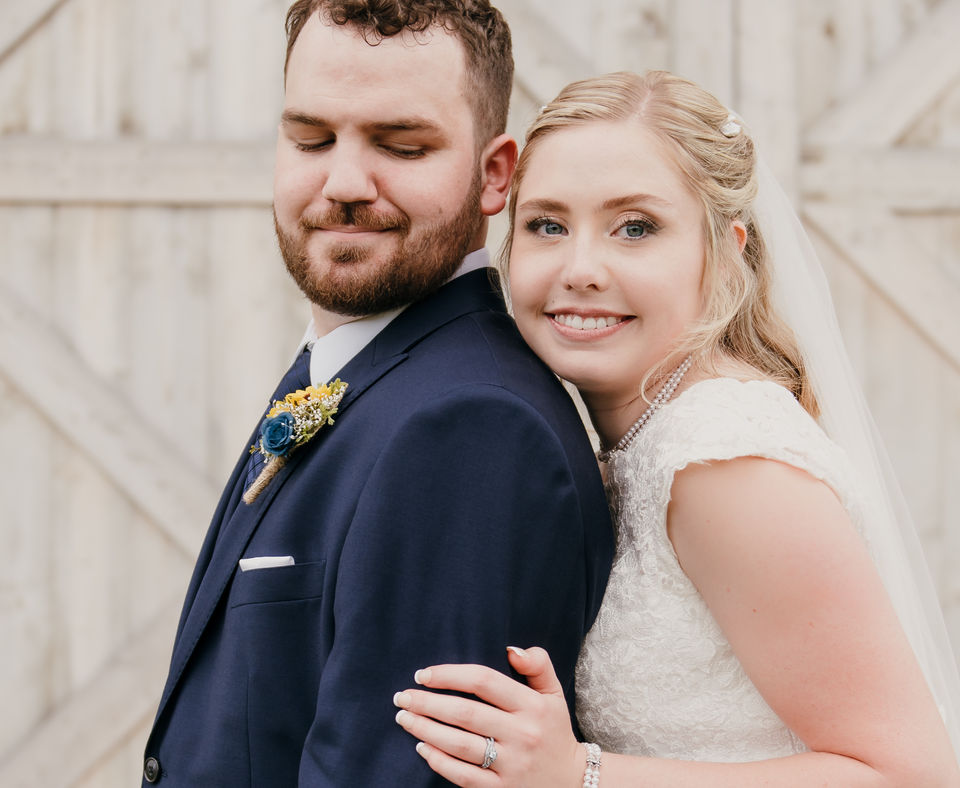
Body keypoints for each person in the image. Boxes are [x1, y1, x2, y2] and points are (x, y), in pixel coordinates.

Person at [392, 70, 960, 786]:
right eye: (547, 225)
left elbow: (910, 776)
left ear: (725, 256)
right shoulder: (625, 437)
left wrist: (582, 775)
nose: (581, 267)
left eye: (636, 228)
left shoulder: (725, 460)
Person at [141, 3, 613, 785]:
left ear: (496, 174)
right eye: (311, 139)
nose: (346, 183)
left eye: (402, 145)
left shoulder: (472, 429)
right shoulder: (349, 370)